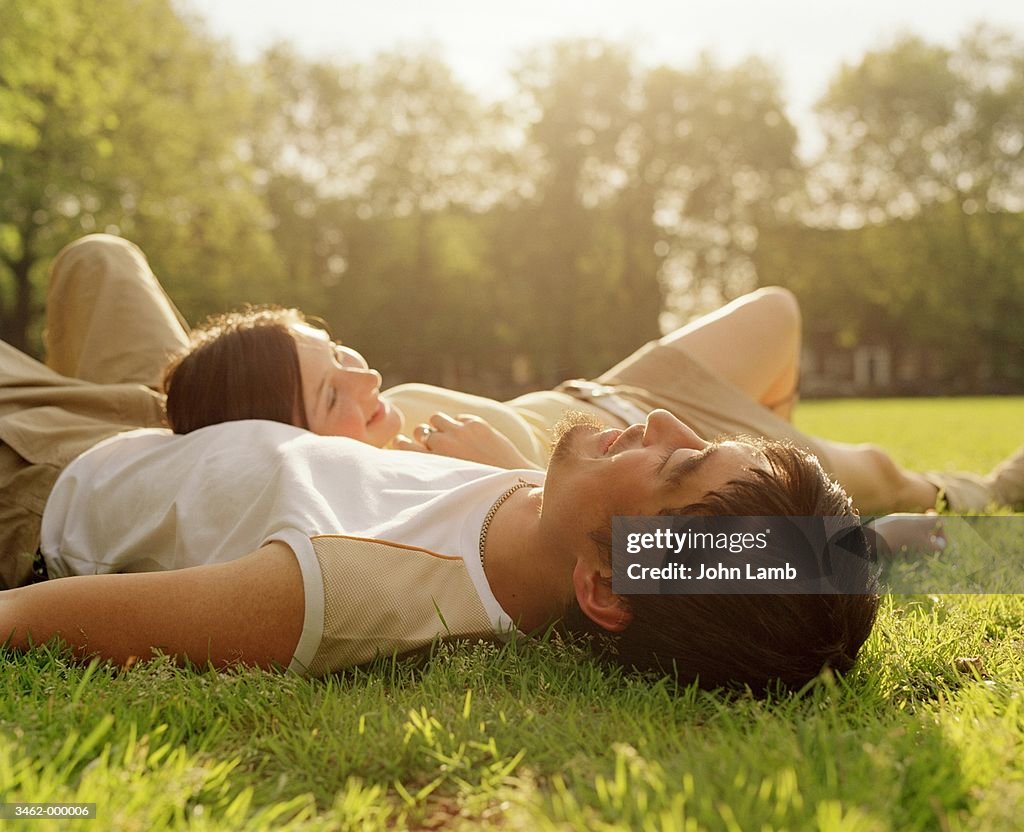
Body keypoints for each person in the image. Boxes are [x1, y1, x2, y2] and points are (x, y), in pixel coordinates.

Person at [4, 404, 879, 693]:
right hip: (149, 423)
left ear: (604, 589)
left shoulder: (341, 586)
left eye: (678, 462)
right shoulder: (550, 525)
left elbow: (28, 616)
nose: (659, 420)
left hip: (43, 482)